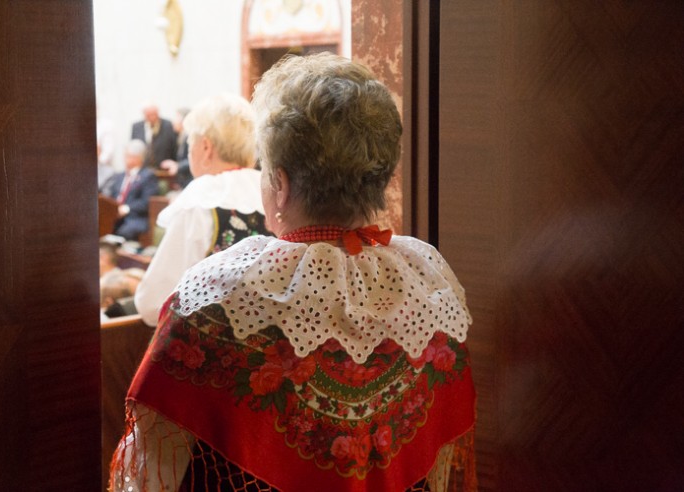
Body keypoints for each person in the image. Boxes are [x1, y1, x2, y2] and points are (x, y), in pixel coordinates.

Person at [110, 53, 476, 492]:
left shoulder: (214, 294)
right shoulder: (431, 286)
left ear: (279, 185)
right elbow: (439, 471)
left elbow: (151, 475)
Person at [134, 93, 268, 327]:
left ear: (206, 147)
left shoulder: (201, 202)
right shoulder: (273, 194)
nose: (188, 153)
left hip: (214, 342)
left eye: (189, 144)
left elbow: (153, 302)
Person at [103, 140, 160, 241]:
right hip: (114, 215)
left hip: (135, 217)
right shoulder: (119, 176)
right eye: (126, 155)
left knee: (123, 231)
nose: (126, 159)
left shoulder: (148, 176)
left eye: (130, 156)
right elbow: (110, 195)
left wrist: (127, 208)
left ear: (139, 158)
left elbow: (146, 202)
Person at [131, 102, 178, 169]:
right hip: (143, 169)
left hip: (163, 168)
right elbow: (133, 148)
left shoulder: (168, 125)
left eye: (154, 114)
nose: (152, 117)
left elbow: (174, 148)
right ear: (144, 115)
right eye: (149, 115)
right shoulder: (136, 127)